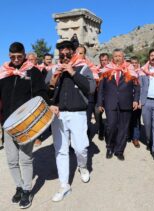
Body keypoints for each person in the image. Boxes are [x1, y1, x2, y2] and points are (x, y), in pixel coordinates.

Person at [0, 42, 52, 208]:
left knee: (25, 159)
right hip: (7, 124)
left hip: (26, 124)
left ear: (23, 55)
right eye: (13, 56)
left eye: (19, 56)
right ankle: (19, 186)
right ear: (9, 55)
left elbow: (42, 94)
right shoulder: (4, 73)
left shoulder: (33, 72)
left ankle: (27, 191)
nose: (16, 59)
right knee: (11, 160)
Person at [49, 40, 96, 202]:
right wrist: (53, 81)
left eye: (67, 51)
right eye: (61, 52)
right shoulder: (54, 68)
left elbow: (90, 89)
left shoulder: (83, 67)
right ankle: (64, 185)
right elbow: (46, 90)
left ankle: (82, 166)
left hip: (78, 114)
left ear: (73, 52)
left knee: (81, 147)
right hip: (58, 114)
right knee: (61, 150)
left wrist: (73, 72)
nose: (64, 54)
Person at [97, 49, 140, 160]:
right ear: (113, 57)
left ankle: (119, 150)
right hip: (110, 103)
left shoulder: (130, 70)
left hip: (126, 103)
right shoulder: (106, 70)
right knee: (111, 126)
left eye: (120, 56)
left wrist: (136, 100)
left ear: (123, 57)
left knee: (123, 128)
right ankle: (110, 147)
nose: (117, 58)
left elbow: (136, 86)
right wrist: (100, 103)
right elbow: (100, 88)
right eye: (115, 56)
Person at [129, 56, 142, 148]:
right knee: (127, 119)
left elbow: (144, 88)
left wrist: (140, 100)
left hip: (138, 100)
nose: (133, 64)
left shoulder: (142, 73)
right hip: (127, 100)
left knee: (136, 120)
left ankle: (136, 138)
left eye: (135, 63)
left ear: (138, 63)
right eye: (132, 63)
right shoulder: (127, 72)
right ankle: (128, 135)